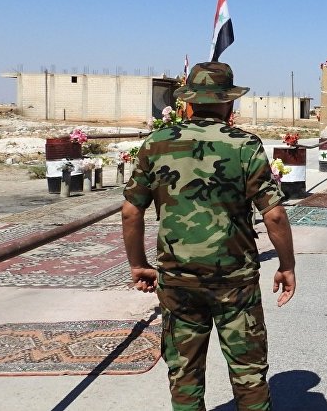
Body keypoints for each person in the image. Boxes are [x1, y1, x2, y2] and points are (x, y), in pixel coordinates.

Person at [122, 61, 297, 411]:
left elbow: (130, 211)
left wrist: (138, 264)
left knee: (184, 373)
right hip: (235, 280)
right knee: (248, 372)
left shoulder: (156, 143)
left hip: (178, 279)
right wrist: (287, 265)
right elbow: (274, 214)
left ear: (188, 102)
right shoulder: (245, 145)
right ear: (228, 102)